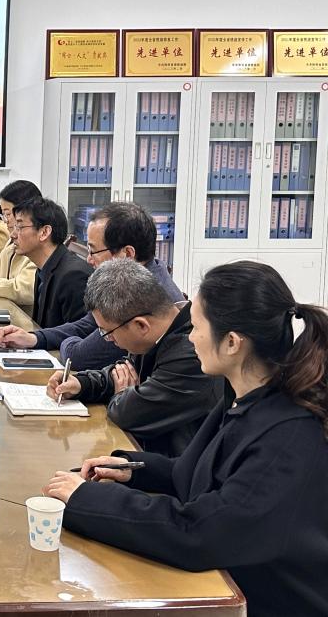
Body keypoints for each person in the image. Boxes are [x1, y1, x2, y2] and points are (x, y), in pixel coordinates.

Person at [45, 261, 328, 616]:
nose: (190, 337)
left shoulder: (288, 434)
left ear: (232, 343)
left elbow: (200, 532)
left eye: (196, 327)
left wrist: (87, 500)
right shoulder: (242, 398)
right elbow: (198, 472)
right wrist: (133, 469)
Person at [45, 259, 221, 455]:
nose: (108, 339)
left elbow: (130, 414)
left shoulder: (191, 355)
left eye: (107, 332)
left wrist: (122, 395)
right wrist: (81, 384)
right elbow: (122, 373)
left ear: (141, 325)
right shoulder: (157, 335)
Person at [0, 202, 183, 369]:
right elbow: (87, 324)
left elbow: (78, 357)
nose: (89, 259)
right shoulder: (140, 276)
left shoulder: (139, 297)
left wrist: (68, 342)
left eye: (93, 251)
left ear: (127, 254)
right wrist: (35, 338)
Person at [7, 197, 91, 328]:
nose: (12, 235)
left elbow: (80, 333)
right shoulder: (43, 268)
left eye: (20, 227)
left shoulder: (74, 276)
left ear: (44, 232)